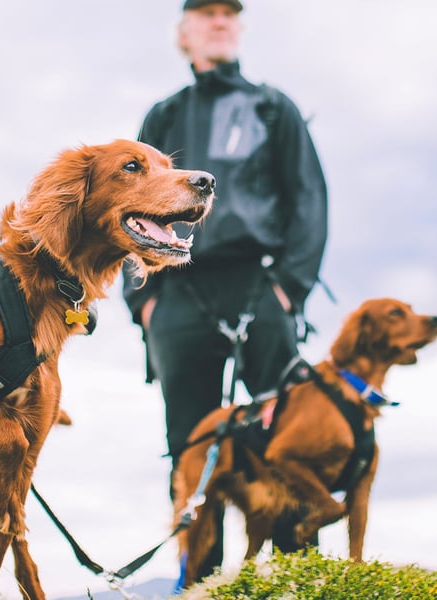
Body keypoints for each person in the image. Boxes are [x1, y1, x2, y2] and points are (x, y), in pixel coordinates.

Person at [122, 0, 329, 583]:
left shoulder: (273, 107)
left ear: (238, 27)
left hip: (260, 286)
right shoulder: (164, 116)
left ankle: (295, 580)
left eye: (229, 12)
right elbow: (127, 206)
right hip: (177, 291)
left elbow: (308, 199)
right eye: (206, 12)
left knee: (284, 434)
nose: (219, 20)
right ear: (183, 33)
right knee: (191, 445)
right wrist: (144, 302)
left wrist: (289, 288)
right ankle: (201, 583)